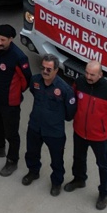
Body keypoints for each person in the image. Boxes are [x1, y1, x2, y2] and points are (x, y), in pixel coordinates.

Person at [66, 59, 107, 209]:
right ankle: (79, 179)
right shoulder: (79, 82)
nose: (88, 77)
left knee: (103, 165)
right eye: (87, 73)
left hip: (99, 137)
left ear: (100, 74)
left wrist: (103, 124)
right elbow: (73, 98)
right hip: (80, 131)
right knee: (78, 158)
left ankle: (104, 192)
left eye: (92, 74)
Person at [22, 54, 78, 196]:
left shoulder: (65, 90)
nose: (45, 71)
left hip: (54, 132)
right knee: (32, 153)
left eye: (49, 69)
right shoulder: (35, 81)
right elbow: (34, 92)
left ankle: (56, 182)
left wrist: (55, 118)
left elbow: (70, 112)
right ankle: (33, 172)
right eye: (43, 67)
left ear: (56, 70)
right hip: (35, 126)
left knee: (56, 159)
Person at [0, 24, 33, 175]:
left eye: (3, 40)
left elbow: (26, 80)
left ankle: (12, 161)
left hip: (10, 103)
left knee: (11, 133)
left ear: (11, 39)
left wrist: (14, 92)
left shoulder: (18, 57)